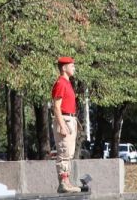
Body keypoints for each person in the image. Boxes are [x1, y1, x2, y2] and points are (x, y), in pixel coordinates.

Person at [51, 56, 81, 193]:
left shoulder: (67, 83)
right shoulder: (61, 83)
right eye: (71, 65)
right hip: (64, 119)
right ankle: (63, 182)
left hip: (70, 119)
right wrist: (62, 125)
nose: (74, 67)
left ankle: (67, 181)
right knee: (63, 152)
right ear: (64, 68)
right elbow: (56, 107)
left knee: (68, 152)